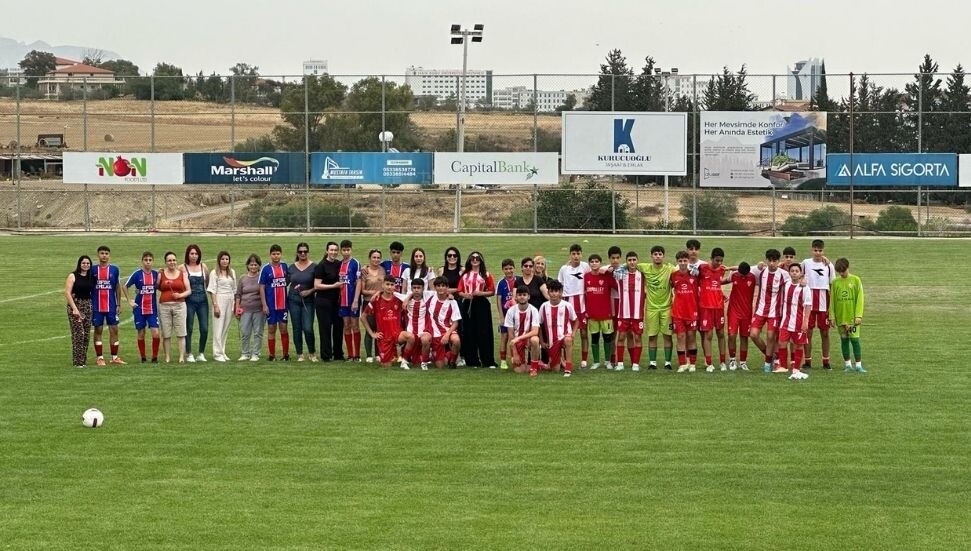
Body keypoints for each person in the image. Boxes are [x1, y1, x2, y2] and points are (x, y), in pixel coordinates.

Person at [750, 249, 792, 373]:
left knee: (770, 337)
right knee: (753, 334)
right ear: (766, 260)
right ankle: (772, 356)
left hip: (775, 312)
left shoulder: (784, 274)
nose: (772, 263)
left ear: (778, 261)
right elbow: (743, 268)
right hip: (760, 310)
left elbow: (795, 279)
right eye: (770, 260)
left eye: (775, 261)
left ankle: (768, 364)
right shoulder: (760, 270)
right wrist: (728, 268)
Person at [638, 245, 675, 370]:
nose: (657, 256)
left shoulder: (669, 269)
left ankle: (667, 362)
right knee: (652, 336)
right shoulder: (645, 267)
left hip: (666, 308)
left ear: (663, 256)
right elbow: (630, 264)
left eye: (660, 254)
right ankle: (652, 363)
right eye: (655, 254)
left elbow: (683, 270)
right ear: (651, 256)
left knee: (667, 335)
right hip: (651, 308)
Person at [458, 251, 496, 368]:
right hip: (468, 303)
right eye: (472, 258)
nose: (475, 260)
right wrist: (466, 295)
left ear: (481, 260)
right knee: (470, 331)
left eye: (477, 258)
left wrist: (480, 293)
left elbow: (492, 291)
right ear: (469, 260)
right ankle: (472, 360)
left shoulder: (486, 275)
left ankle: (487, 360)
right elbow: (460, 290)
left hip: (482, 304)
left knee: (484, 331)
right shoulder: (465, 275)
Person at [801, 239, 835, 369]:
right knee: (808, 332)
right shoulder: (805, 263)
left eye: (820, 250)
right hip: (809, 300)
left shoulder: (829, 265)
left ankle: (826, 361)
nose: (817, 253)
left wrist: (831, 306)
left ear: (823, 250)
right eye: (815, 250)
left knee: (825, 332)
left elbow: (832, 284)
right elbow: (796, 272)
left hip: (823, 300)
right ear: (811, 250)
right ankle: (807, 361)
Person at [122, 251, 160, 364]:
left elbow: (161, 285)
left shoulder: (156, 274)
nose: (148, 262)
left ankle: (154, 357)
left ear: (153, 261)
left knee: (155, 332)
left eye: (150, 260)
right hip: (139, 309)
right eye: (145, 260)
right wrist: (129, 301)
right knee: (141, 333)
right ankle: (143, 357)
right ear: (142, 261)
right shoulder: (137, 274)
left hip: (152, 309)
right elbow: (125, 286)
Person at [362, 275, 408, 368]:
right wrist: (372, 334)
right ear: (382, 285)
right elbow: (363, 317)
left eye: (392, 284)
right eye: (387, 284)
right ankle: (395, 356)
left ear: (394, 286)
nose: (389, 287)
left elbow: (413, 294)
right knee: (386, 365)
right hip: (384, 338)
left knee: (411, 337)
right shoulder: (376, 300)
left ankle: (404, 358)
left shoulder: (399, 299)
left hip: (397, 335)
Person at [557, 243, 591, 368]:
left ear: (581, 254)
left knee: (583, 333)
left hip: (581, 302)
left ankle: (584, 360)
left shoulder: (585, 266)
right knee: (566, 334)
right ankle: (564, 360)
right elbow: (559, 286)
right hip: (567, 303)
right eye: (573, 254)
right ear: (570, 255)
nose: (576, 256)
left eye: (578, 254)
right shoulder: (564, 269)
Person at [830, 257, 866, 373]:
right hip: (841, 317)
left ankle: (859, 365)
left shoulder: (856, 280)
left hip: (852, 318)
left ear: (848, 268)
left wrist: (858, 315)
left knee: (855, 340)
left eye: (843, 271)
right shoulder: (835, 282)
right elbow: (832, 300)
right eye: (839, 272)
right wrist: (831, 316)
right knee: (844, 340)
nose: (842, 273)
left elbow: (860, 299)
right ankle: (848, 365)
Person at [91, 245, 125, 366]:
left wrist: (119, 304)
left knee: (114, 330)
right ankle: (100, 358)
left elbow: (117, 287)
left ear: (109, 255)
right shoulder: (93, 269)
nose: (104, 255)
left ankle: (114, 357)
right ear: (98, 255)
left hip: (111, 306)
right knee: (98, 330)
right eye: (102, 253)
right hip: (97, 306)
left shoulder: (114, 269)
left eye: (106, 253)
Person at [698, 248, 730, 372]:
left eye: (721, 261)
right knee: (708, 335)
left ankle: (722, 362)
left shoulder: (722, 270)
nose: (719, 263)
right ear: (711, 258)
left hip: (718, 307)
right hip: (705, 307)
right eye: (717, 260)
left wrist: (721, 294)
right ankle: (709, 363)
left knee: (721, 334)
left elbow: (716, 284)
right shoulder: (703, 268)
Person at [777, 262, 811, 380]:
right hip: (785, 320)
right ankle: (783, 366)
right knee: (782, 342)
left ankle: (796, 368)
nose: (794, 273)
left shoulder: (805, 288)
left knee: (799, 345)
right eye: (792, 271)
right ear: (789, 273)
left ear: (800, 273)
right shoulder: (786, 284)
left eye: (797, 271)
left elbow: (807, 306)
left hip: (798, 321)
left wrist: (805, 321)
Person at [613, 251, 646, 372]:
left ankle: (635, 364)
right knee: (621, 337)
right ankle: (620, 363)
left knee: (637, 337)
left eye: (634, 260)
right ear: (626, 261)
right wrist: (621, 266)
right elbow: (607, 267)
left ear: (637, 261)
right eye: (629, 260)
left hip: (638, 314)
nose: (632, 262)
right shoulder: (620, 274)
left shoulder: (643, 274)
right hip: (623, 313)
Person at [538, 279, 578, 377]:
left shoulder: (567, 305)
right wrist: (542, 342)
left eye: (556, 291)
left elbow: (576, 320)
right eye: (552, 291)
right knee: (554, 369)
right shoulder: (544, 306)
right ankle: (550, 363)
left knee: (568, 340)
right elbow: (539, 324)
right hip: (552, 340)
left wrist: (573, 333)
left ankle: (568, 367)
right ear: (548, 292)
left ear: (560, 292)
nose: (554, 294)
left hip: (564, 336)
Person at [313, 242, 345, 362]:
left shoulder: (339, 264)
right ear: (327, 251)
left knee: (338, 327)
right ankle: (326, 355)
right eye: (331, 250)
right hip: (323, 301)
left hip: (337, 301)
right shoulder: (321, 266)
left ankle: (338, 354)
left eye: (336, 250)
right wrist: (333, 286)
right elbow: (317, 285)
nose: (333, 252)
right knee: (325, 328)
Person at [583, 254, 616, 370]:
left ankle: (607, 361)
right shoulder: (586, 277)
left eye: (596, 261)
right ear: (589, 264)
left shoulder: (606, 275)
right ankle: (596, 362)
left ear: (600, 263)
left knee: (607, 338)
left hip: (606, 314)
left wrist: (610, 272)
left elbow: (617, 287)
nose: (594, 263)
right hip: (592, 314)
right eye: (592, 261)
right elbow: (584, 295)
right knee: (594, 338)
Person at [158, 251, 191, 363]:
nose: (172, 262)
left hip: (179, 306)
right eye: (169, 260)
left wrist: (180, 295)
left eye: (174, 260)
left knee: (181, 332)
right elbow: (157, 286)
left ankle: (181, 357)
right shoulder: (161, 274)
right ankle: (167, 357)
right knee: (166, 333)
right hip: (164, 306)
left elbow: (189, 290)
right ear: (166, 262)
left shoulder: (182, 274)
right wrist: (158, 276)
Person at [260, 244, 290, 361]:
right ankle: (271, 355)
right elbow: (261, 287)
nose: (276, 256)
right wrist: (264, 304)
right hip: (271, 305)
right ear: (270, 255)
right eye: (274, 254)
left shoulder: (285, 266)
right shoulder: (265, 269)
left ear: (281, 254)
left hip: (283, 305)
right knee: (271, 328)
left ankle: (285, 354)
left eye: (278, 254)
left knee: (283, 328)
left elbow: (287, 281)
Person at [671, 251, 700, 373]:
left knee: (691, 337)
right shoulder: (673, 276)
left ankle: (692, 363)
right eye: (680, 261)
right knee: (680, 337)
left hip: (692, 312)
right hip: (678, 312)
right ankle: (682, 364)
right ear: (677, 262)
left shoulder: (694, 274)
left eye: (685, 261)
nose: (683, 263)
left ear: (688, 261)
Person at [289, 242, 319, 362]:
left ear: (308, 252)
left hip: (309, 301)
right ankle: (299, 353)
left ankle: (312, 352)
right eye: (300, 251)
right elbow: (284, 283)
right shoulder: (291, 267)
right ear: (297, 253)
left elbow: (318, 285)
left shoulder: (314, 267)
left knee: (308, 328)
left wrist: (309, 291)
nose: (303, 253)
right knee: (297, 328)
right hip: (293, 299)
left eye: (305, 251)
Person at [424, 277, 462, 369]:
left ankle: (452, 362)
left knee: (456, 340)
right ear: (435, 287)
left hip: (447, 329)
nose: (441, 288)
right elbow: (414, 292)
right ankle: (435, 356)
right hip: (433, 332)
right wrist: (407, 299)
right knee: (440, 366)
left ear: (447, 287)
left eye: (443, 286)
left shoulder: (453, 302)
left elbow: (456, 322)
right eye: (438, 286)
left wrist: (447, 335)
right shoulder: (429, 295)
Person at [503, 285, 542, 374]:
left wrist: (520, 338)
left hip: (528, 340)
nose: (522, 297)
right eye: (519, 295)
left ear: (528, 297)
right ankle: (537, 363)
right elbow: (511, 335)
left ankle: (534, 368)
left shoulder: (534, 310)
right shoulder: (511, 311)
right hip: (516, 342)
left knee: (535, 339)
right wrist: (515, 353)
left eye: (524, 295)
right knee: (520, 371)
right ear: (516, 297)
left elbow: (535, 331)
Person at [181, 244, 209, 363]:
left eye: (196, 254)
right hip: (189, 301)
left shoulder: (204, 266)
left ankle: (201, 353)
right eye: (191, 253)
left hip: (202, 300)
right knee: (189, 327)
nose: (194, 256)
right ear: (188, 254)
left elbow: (207, 283)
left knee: (204, 328)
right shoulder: (182, 267)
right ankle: (189, 353)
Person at [207, 251, 237, 362]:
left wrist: (235, 303)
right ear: (219, 260)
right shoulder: (214, 273)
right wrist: (215, 305)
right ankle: (217, 353)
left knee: (225, 327)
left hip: (230, 300)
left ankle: (222, 351)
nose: (225, 261)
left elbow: (234, 289)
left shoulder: (232, 272)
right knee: (218, 328)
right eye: (223, 259)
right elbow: (212, 290)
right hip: (219, 299)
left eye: (227, 259)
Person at [65, 255, 94, 368]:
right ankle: (77, 361)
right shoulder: (73, 276)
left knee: (86, 334)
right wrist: (74, 309)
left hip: (87, 304)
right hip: (76, 305)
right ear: (79, 264)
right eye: (83, 263)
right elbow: (67, 292)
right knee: (78, 334)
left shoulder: (91, 277)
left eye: (88, 263)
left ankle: (83, 360)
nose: (85, 265)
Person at [726, 262, 757, 371]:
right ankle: (732, 360)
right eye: (741, 274)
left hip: (746, 313)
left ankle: (743, 362)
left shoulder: (753, 277)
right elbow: (724, 281)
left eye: (745, 275)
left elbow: (759, 266)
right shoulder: (734, 275)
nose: (743, 276)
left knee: (744, 337)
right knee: (732, 335)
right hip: (733, 311)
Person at [235, 254, 265, 361]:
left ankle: (256, 353)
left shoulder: (261, 277)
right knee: (245, 332)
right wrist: (237, 308)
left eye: (255, 265)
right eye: (251, 265)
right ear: (248, 265)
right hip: (245, 310)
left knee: (258, 332)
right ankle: (245, 353)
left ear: (259, 266)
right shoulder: (243, 278)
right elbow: (238, 294)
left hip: (258, 310)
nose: (253, 267)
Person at [359, 249, 386, 363]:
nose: (376, 260)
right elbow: (362, 290)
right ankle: (369, 355)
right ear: (370, 258)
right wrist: (374, 293)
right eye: (374, 257)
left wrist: (379, 294)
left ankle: (378, 353)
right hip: (368, 302)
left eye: (378, 257)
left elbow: (385, 286)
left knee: (379, 328)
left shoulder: (383, 270)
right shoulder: (365, 271)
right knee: (369, 328)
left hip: (380, 304)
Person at [338, 240, 363, 361]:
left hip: (353, 300)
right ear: (341, 251)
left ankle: (357, 355)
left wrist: (356, 300)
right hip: (342, 301)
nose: (346, 252)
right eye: (344, 250)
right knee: (346, 326)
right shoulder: (339, 264)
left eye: (348, 250)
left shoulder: (355, 263)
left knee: (355, 326)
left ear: (351, 250)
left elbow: (359, 281)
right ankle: (350, 355)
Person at [396, 278, 426, 370]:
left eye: (419, 288)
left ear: (423, 288)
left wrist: (449, 295)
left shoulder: (428, 296)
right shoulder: (405, 298)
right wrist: (377, 293)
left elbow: (441, 292)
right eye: (414, 288)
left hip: (422, 333)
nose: (416, 290)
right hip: (409, 333)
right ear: (411, 289)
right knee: (411, 337)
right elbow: (390, 291)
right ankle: (404, 361)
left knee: (417, 362)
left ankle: (424, 360)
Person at [495, 258, 518, 370]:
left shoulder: (518, 279)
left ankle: (515, 357)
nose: (509, 271)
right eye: (506, 269)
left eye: (510, 268)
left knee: (516, 336)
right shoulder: (501, 283)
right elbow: (499, 300)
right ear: (503, 270)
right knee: (504, 337)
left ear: (514, 268)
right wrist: (501, 316)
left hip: (518, 314)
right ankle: (503, 361)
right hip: (506, 314)